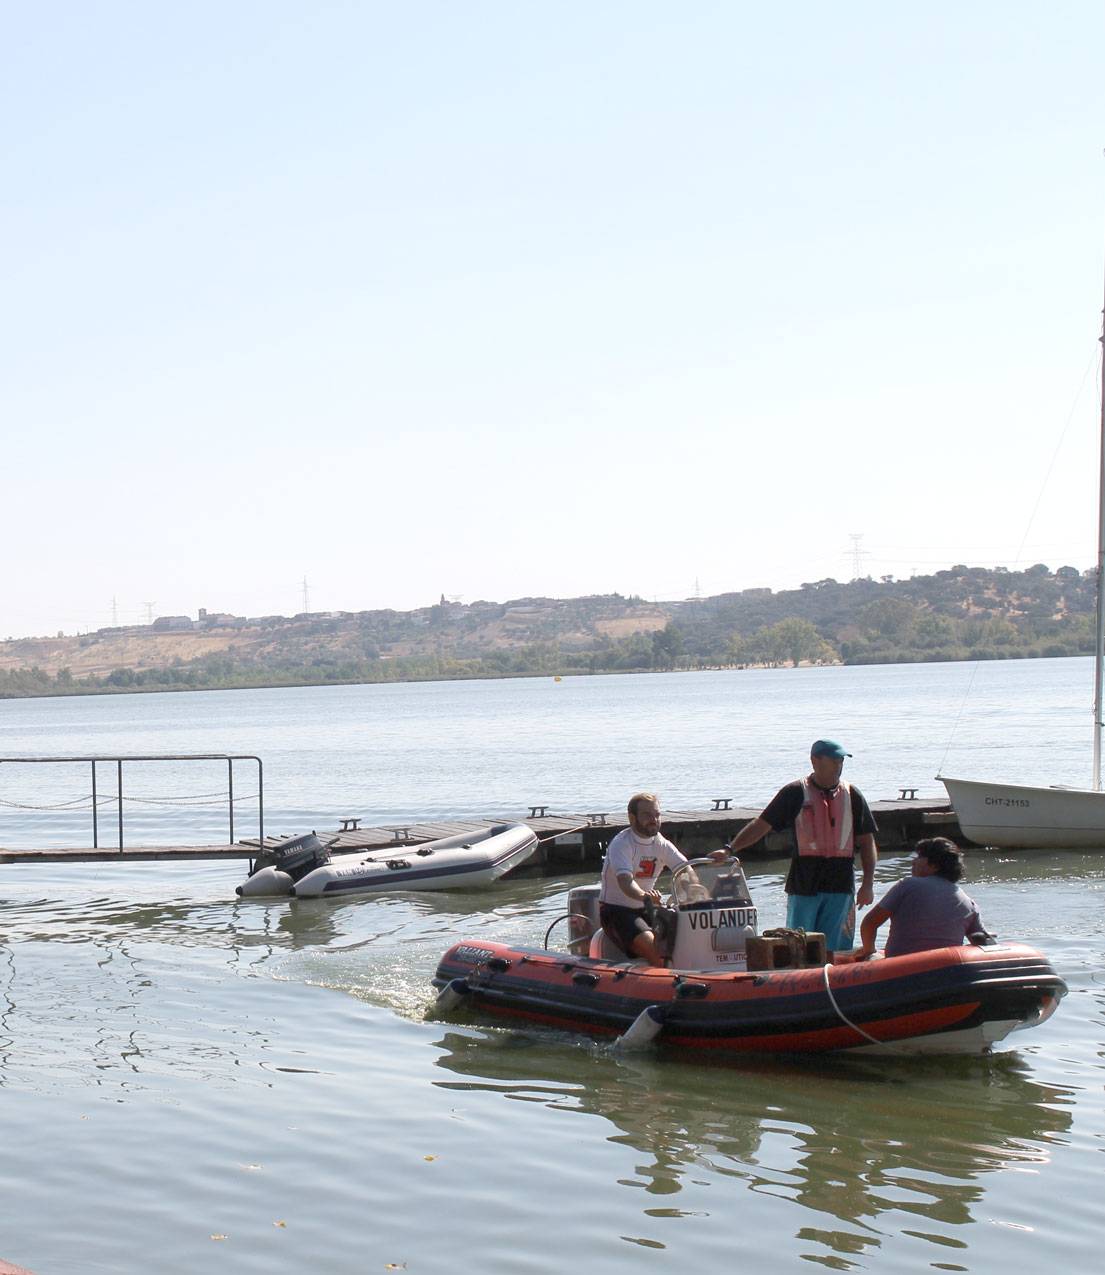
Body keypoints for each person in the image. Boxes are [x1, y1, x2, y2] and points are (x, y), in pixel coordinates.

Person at [725, 739, 877, 953]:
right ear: (815, 761)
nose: (838, 766)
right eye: (833, 760)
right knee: (799, 944)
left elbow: (867, 841)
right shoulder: (795, 792)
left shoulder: (852, 794)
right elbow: (761, 825)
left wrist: (868, 884)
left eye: (841, 761)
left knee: (837, 947)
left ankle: (835, 981)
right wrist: (730, 849)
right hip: (805, 881)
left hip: (841, 884)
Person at [599, 792, 725, 964]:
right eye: (647, 815)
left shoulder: (661, 843)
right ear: (632, 818)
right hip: (617, 911)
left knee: (688, 941)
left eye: (657, 815)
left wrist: (693, 889)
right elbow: (626, 882)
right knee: (658, 951)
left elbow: (685, 869)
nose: (654, 819)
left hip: (649, 909)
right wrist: (645, 896)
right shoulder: (622, 843)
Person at [849, 837, 985, 960]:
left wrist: (869, 952)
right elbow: (982, 940)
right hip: (947, 970)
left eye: (920, 857)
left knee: (868, 957)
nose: (913, 861)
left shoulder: (908, 885)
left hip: (899, 968)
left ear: (934, 865)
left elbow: (869, 923)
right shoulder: (968, 903)